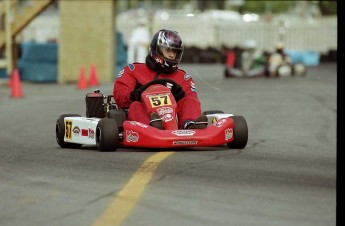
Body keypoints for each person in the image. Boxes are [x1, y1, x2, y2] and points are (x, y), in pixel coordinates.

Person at [113, 29, 208, 130]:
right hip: (144, 119)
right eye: (168, 50)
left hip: (174, 120)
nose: (172, 55)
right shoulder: (133, 70)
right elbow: (120, 95)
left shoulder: (183, 77)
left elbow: (192, 100)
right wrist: (135, 95)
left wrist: (179, 96)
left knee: (190, 101)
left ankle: (189, 125)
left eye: (175, 52)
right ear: (156, 49)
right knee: (136, 105)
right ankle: (153, 127)